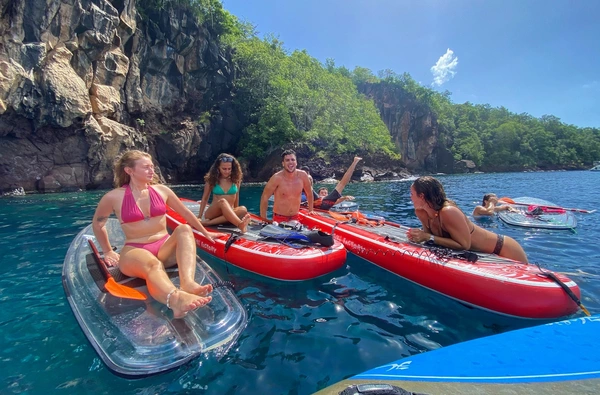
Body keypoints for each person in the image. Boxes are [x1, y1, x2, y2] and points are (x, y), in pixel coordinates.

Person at [92, 150, 224, 319]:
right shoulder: (113, 197)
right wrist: (108, 250)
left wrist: (206, 234)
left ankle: (188, 283)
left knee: (184, 229)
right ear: (129, 170)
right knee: (153, 265)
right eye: (146, 167)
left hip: (164, 247)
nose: (152, 170)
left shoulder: (162, 191)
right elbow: (98, 224)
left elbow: (186, 213)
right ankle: (175, 300)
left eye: (152, 166)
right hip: (135, 250)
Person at [407, 176, 528, 263]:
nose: (410, 197)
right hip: (485, 255)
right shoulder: (421, 212)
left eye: (412, 194)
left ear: (421, 196)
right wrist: (419, 235)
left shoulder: (448, 211)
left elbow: (464, 244)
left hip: (504, 249)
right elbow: (428, 236)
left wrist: (428, 237)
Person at [198, 153, 251, 233]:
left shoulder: (236, 180)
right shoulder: (212, 180)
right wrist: (199, 216)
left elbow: (236, 197)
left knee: (243, 209)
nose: (227, 171)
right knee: (223, 201)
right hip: (213, 213)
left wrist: (236, 213)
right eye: (224, 169)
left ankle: (208, 223)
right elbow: (205, 198)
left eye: (229, 169)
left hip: (228, 213)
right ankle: (240, 225)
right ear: (218, 168)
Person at [260, 149, 314, 223]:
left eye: (292, 160)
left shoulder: (303, 175)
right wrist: (264, 218)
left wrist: (311, 210)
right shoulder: (276, 178)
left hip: (295, 217)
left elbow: (309, 193)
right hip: (279, 218)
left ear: (296, 162)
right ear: (283, 163)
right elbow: (265, 197)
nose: (290, 162)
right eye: (287, 160)